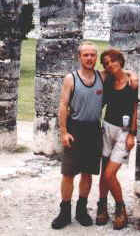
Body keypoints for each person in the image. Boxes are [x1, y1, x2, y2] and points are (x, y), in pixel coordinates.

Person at [51, 41, 104, 229]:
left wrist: (133, 76)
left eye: (92, 55)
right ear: (79, 57)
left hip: (93, 130)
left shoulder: (102, 78)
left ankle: (82, 210)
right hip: (75, 129)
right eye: (86, 55)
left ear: (96, 58)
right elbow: (63, 105)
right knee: (68, 173)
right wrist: (64, 132)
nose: (89, 58)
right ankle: (64, 212)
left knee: (88, 173)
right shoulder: (71, 78)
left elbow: (123, 73)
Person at [96, 48, 138, 230]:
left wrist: (132, 134)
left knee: (109, 174)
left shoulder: (132, 83)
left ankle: (120, 207)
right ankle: (102, 205)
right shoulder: (108, 80)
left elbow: (136, 108)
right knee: (103, 170)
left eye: (113, 60)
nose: (110, 64)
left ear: (120, 61)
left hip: (123, 131)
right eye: (106, 62)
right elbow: (96, 73)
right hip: (107, 128)